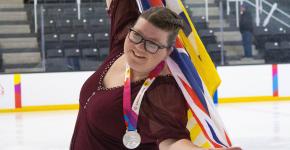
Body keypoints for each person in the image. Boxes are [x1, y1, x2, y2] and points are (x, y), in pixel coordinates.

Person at [70, 0, 241, 149]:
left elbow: (172, 142)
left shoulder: (163, 90)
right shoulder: (122, 44)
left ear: (168, 52)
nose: (139, 47)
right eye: (137, 35)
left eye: (152, 44)